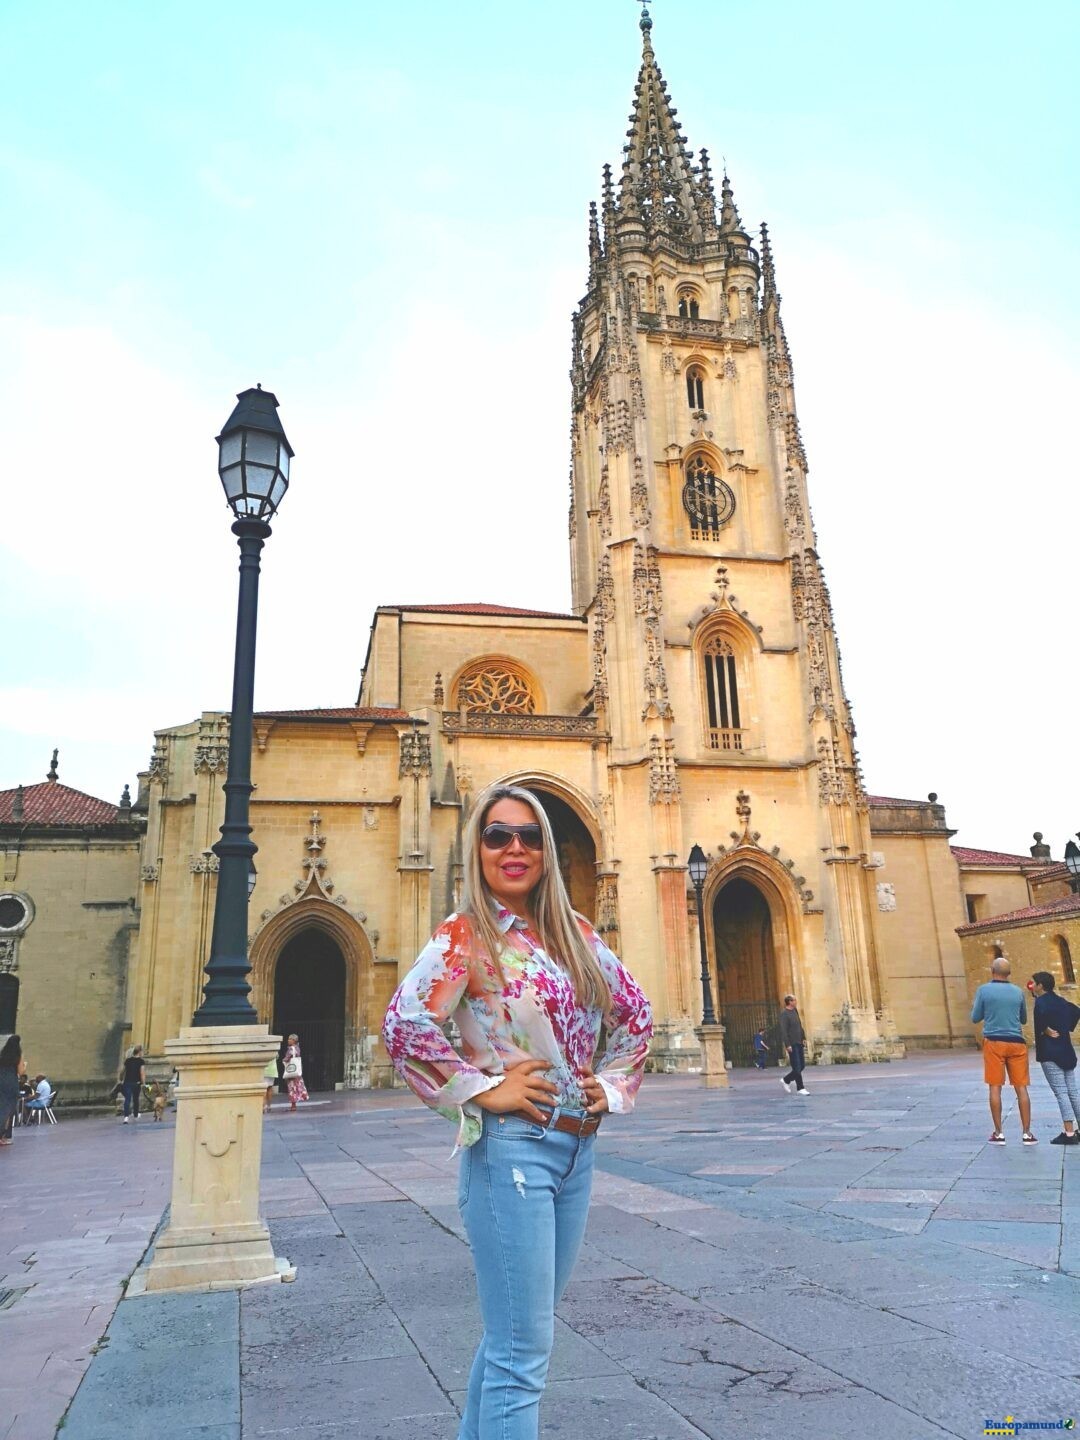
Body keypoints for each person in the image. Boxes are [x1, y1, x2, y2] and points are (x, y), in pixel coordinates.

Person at [383, 782, 652, 1440]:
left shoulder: (574, 933)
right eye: (497, 834)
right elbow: (403, 1024)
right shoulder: (463, 936)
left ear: (547, 852)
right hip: (512, 1154)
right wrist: (482, 1088)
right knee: (521, 1354)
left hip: (575, 1154)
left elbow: (637, 1016)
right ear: (475, 846)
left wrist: (609, 1086)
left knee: (514, 1343)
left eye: (530, 837)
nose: (514, 848)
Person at [970, 956, 1036, 1144]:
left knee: (995, 1087)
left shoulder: (983, 990)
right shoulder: (1017, 992)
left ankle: (999, 1133)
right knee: (1021, 1088)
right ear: (1009, 973)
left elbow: (975, 1017)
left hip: (994, 1042)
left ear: (992, 971)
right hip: (1016, 1042)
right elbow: (1023, 1019)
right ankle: (1027, 1133)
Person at [1031, 971, 1080, 1145]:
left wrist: (1046, 1030)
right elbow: (1076, 1011)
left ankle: (1068, 1132)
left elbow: (1039, 1024)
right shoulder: (1060, 1001)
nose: (1032, 986)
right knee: (1073, 1092)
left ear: (1040, 986)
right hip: (1066, 1051)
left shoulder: (1041, 1003)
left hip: (1050, 1053)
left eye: (1034, 983)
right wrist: (1066, 1028)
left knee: (1061, 1093)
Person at [779, 995, 809, 1095]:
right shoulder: (784, 1014)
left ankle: (786, 1080)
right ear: (789, 1002)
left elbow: (799, 1025)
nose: (796, 1002)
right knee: (796, 1067)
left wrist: (803, 1037)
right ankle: (800, 1088)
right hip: (792, 1043)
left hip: (799, 1042)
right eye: (794, 1000)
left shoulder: (795, 1011)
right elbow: (783, 1031)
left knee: (802, 1066)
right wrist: (787, 1045)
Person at [0, 1034, 25, 1146]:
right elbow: (21, 1072)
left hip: (1, 1082)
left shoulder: (2, 1055)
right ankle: (3, 1136)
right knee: (9, 1110)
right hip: (11, 1084)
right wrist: (24, 1066)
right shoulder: (18, 1056)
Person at [282, 1034, 308, 1110]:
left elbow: (287, 1058)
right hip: (297, 1071)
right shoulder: (297, 1048)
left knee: (292, 1088)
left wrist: (283, 1060)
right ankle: (296, 1102)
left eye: (290, 1039)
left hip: (292, 1071)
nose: (288, 1040)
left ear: (293, 1040)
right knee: (297, 1086)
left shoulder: (290, 1049)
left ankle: (293, 1105)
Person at [121, 1045, 145, 1123]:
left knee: (127, 1099)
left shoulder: (128, 1060)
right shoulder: (141, 1061)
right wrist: (143, 1082)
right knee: (135, 1099)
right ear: (140, 1052)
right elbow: (142, 1073)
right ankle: (135, 1114)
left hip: (127, 1082)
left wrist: (121, 1079)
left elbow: (122, 1071)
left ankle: (126, 1117)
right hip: (136, 1083)